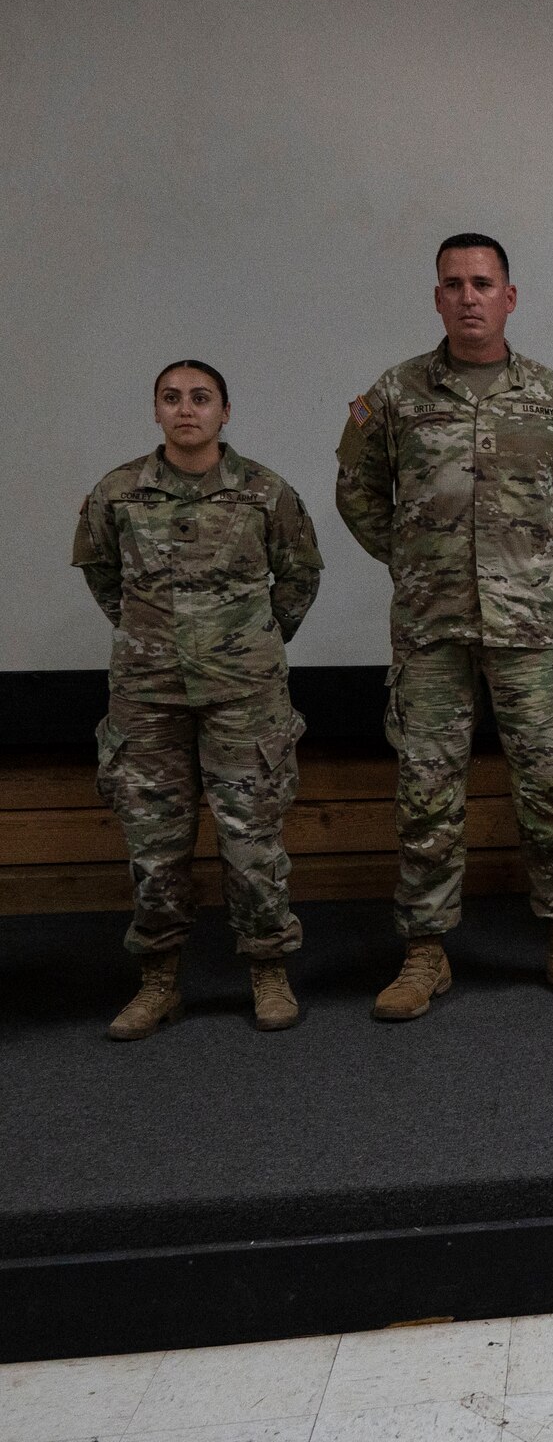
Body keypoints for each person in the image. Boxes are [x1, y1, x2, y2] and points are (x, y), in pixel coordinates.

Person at [336, 233, 553, 1017]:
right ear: (436, 298)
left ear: (509, 297)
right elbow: (356, 491)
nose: (468, 297)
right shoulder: (393, 396)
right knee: (426, 793)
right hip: (431, 632)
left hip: (530, 633)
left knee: (552, 788)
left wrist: (546, 571)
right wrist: (414, 562)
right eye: (453, 284)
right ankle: (425, 953)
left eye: (483, 283)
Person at [74, 360, 322, 1038]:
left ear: (225, 411)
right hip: (147, 696)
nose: (187, 409)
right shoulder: (117, 494)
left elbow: (299, 578)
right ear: (155, 410)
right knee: (154, 844)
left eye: (202, 398)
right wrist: (154, 640)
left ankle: (268, 970)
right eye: (172, 398)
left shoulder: (267, 493)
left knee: (252, 840)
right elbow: (103, 577)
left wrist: (245, 642)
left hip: (244, 696)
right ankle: (158, 980)